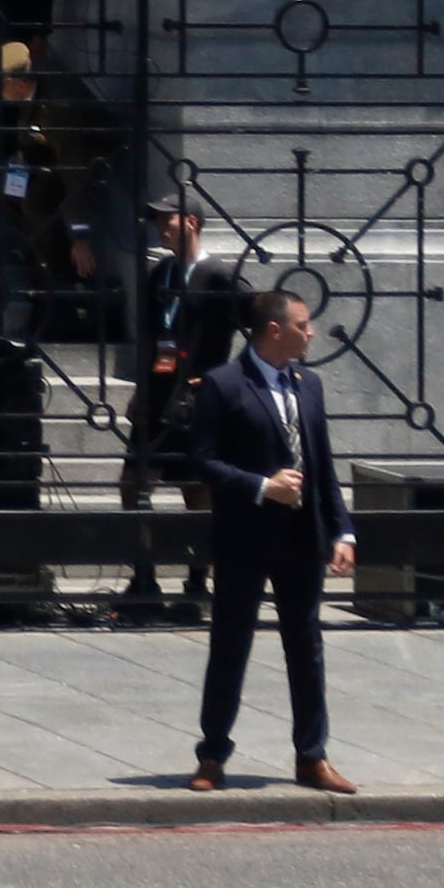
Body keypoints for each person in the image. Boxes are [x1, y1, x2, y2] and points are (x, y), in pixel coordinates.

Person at [187, 287, 358, 792]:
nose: (311, 333)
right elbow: (203, 462)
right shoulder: (223, 385)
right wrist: (263, 486)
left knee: (306, 647)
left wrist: (342, 529)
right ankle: (212, 754)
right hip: (245, 536)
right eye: (303, 325)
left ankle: (312, 756)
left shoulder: (309, 385)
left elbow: (323, 465)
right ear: (275, 330)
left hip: (302, 537)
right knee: (230, 644)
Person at [123, 199, 258, 597]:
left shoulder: (218, 276)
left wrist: (227, 378)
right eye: (158, 220)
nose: (161, 226)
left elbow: (257, 322)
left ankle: (197, 582)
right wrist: (141, 388)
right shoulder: (160, 272)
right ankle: (143, 576)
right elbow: (151, 336)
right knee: (133, 484)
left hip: (197, 399)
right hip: (157, 395)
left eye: (168, 218)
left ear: (192, 222)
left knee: (198, 490)